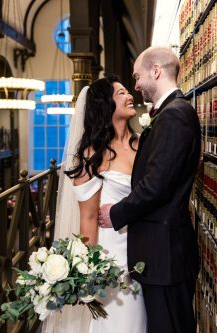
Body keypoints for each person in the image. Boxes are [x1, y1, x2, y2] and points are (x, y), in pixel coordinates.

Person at [99, 46, 201, 333]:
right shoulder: (170, 114)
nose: (136, 85)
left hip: (166, 255)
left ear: (155, 71)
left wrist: (117, 213)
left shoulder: (174, 115)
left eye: (137, 76)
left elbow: (157, 186)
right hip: (160, 254)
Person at [42, 76, 147, 333]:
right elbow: (88, 217)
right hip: (113, 262)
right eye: (121, 93)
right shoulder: (92, 155)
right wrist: (88, 272)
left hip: (144, 252)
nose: (129, 95)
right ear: (105, 105)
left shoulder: (143, 143)